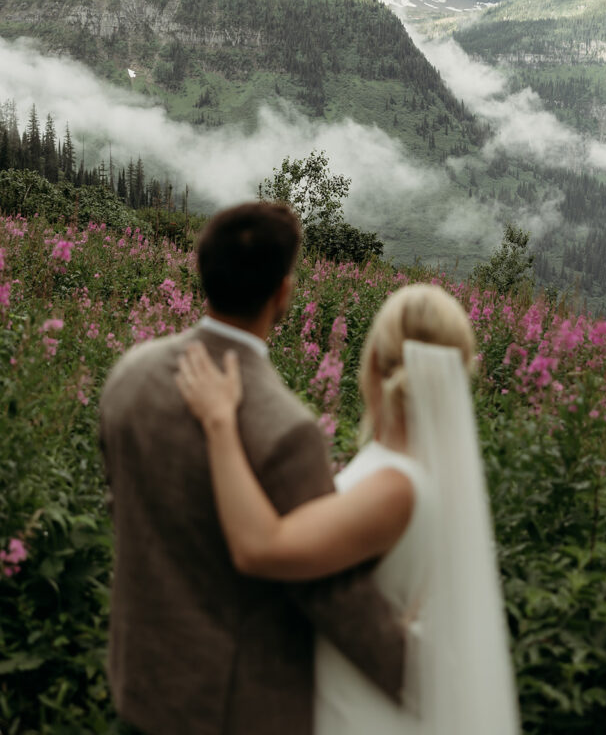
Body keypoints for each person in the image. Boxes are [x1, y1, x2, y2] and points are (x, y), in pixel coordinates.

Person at [99, 201, 407, 735]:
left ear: (203, 273)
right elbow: (329, 589)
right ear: (283, 291)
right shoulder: (287, 430)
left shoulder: (130, 377)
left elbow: (124, 501)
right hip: (233, 709)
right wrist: (419, 674)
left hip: (140, 686)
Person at [176, 283, 521, 735]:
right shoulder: (428, 479)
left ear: (374, 360)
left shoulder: (397, 486)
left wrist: (220, 422)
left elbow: (258, 547)